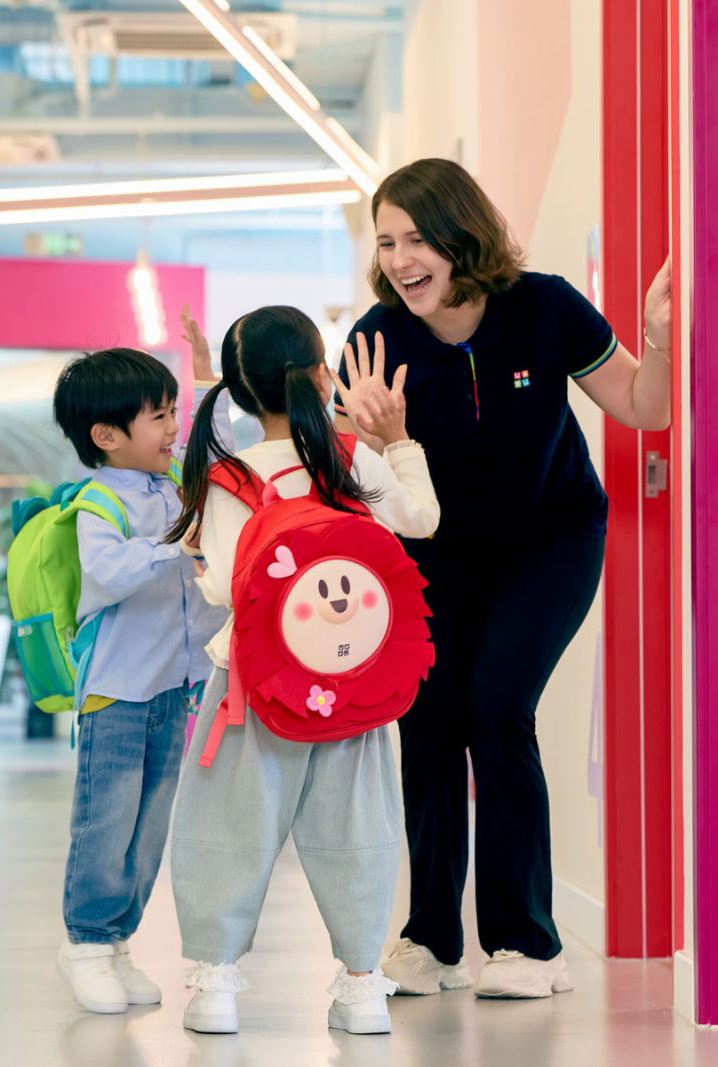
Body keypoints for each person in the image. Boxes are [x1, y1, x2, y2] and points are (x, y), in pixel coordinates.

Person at [333, 158, 671, 999]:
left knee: (496, 706)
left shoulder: (544, 304)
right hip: (436, 549)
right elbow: (361, 482)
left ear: (459, 234)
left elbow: (642, 406)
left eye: (417, 238)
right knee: (432, 717)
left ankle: (526, 944)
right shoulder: (374, 340)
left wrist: (662, 343)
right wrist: (377, 436)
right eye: (386, 242)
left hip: (549, 536)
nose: (402, 257)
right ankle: (430, 939)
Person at [166, 305, 440, 1035]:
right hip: (352, 677)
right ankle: (360, 987)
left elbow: (226, 585)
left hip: (254, 680)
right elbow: (421, 519)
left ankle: (216, 985)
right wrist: (400, 441)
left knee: (231, 822)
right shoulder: (351, 455)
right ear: (321, 375)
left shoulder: (225, 474)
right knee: (356, 827)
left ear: (234, 388)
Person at [50, 333, 230, 1014]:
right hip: (115, 691)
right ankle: (86, 942)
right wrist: (170, 545)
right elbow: (108, 570)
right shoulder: (99, 500)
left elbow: (222, 441)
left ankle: (119, 942)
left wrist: (211, 376)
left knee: (151, 824)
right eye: (157, 415)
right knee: (106, 821)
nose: (171, 425)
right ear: (106, 433)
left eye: (171, 410)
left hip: (173, 690)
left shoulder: (174, 484)